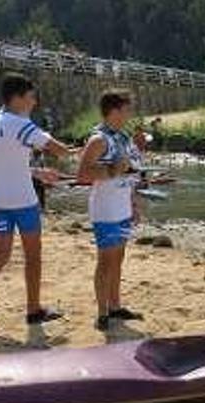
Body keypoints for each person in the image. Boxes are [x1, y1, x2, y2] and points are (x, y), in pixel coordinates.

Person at [0, 73, 74, 337]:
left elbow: (6, 161)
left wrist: (37, 173)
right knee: (33, 257)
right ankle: (33, 309)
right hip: (23, 201)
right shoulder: (20, 124)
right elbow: (59, 150)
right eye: (31, 97)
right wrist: (84, 152)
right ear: (17, 98)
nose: (34, 102)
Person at [77, 89, 144, 331]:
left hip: (122, 208)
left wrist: (134, 202)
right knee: (106, 261)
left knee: (119, 259)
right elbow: (82, 174)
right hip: (105, 210)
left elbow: (133, 172)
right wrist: (113, 171)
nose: (130, 114)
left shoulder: (124, 137)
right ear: (114, 110)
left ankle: (115, 306)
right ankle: (102, 312)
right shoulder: (98, 139)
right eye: (127, 109)